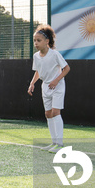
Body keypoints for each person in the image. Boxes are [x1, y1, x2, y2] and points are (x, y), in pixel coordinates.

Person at [27, 24, 70, 153]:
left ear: (47, 42)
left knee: (56, 112)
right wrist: (32, 83)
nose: (36, 43)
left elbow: (67, 68)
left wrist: (56, 80)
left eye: (38, 40)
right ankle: (54, 143)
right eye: (34, 40)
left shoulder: (55, 54)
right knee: (48, 114)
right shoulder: (36, 56)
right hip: (45, 86)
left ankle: (60, 145)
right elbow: (38, 72)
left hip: (58, 86)